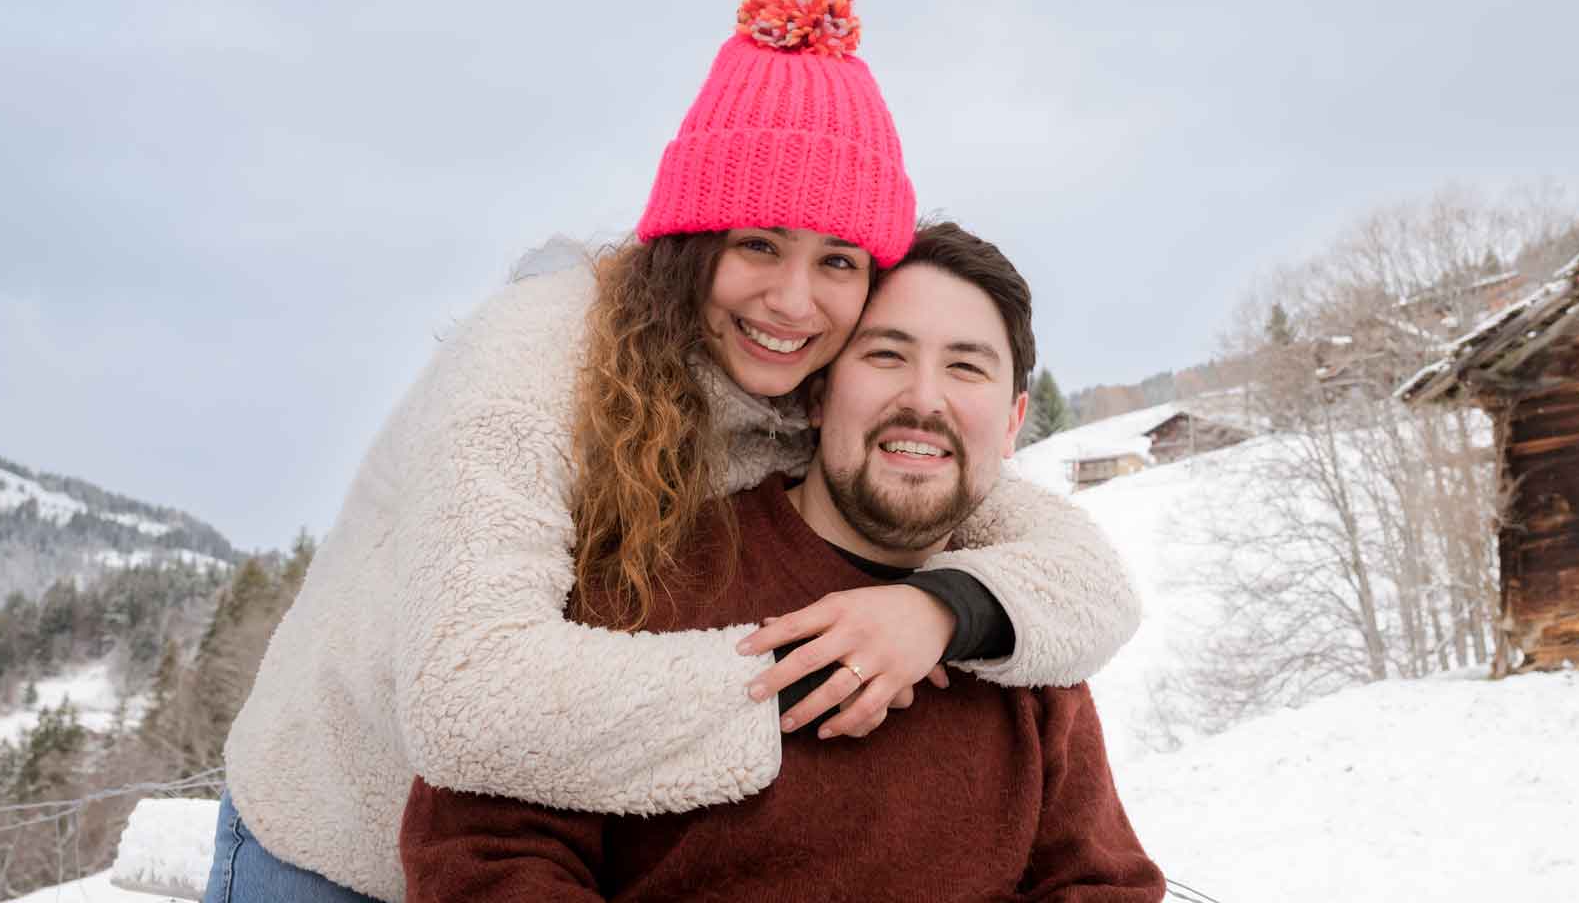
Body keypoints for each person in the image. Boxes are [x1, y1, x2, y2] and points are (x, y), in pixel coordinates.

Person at [206, 0, 1141, 903]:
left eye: (838, 261)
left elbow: (1072, 568)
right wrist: (817, 667)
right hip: (335, 837)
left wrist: (936, 611)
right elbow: (467, 702)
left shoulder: (824, 393)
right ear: (692, 240)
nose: (792, 299)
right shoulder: (537, 361)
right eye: (758, 244)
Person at [399, 222, 1166, 902]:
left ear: (1012, 423)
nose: (924, 399)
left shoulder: (1025, 636)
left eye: (966, 368)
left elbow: (1102, 883)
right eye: (886, 355)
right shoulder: (653, 576)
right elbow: (484, 851)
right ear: (817, 395)